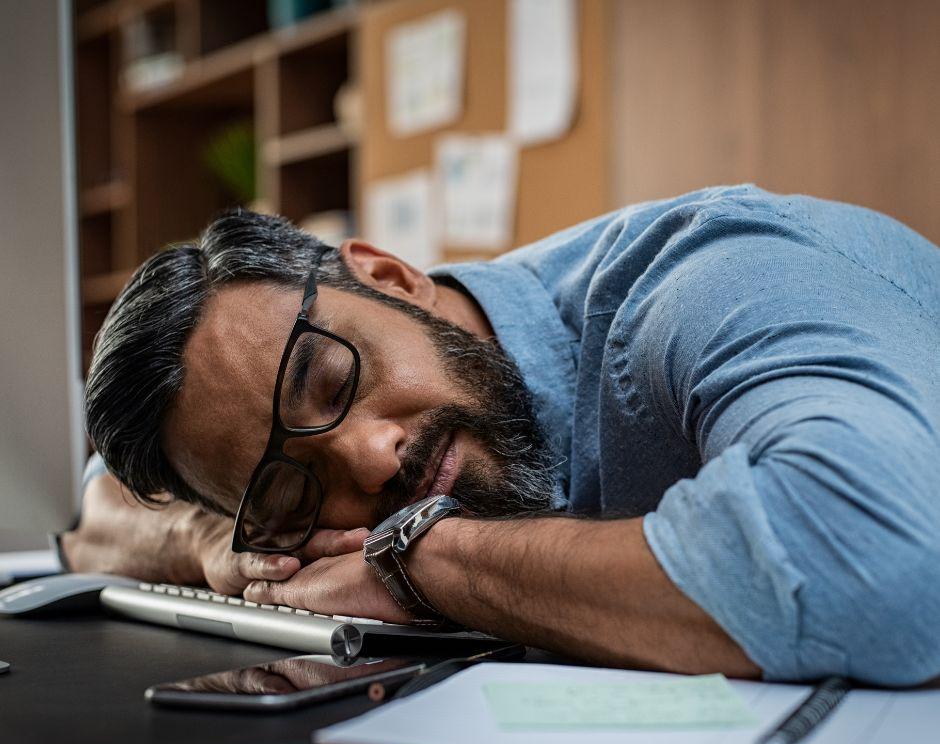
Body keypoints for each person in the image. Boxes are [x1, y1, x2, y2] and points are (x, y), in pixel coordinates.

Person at [66, 185, 940, 685]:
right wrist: (217, 543)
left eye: (332, 381)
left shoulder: (703, 285)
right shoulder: (252, 501)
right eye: (290, 487)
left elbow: (886, 563)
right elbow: (97, 500)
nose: (371, 460)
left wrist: (422, 558)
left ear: (390, 276)